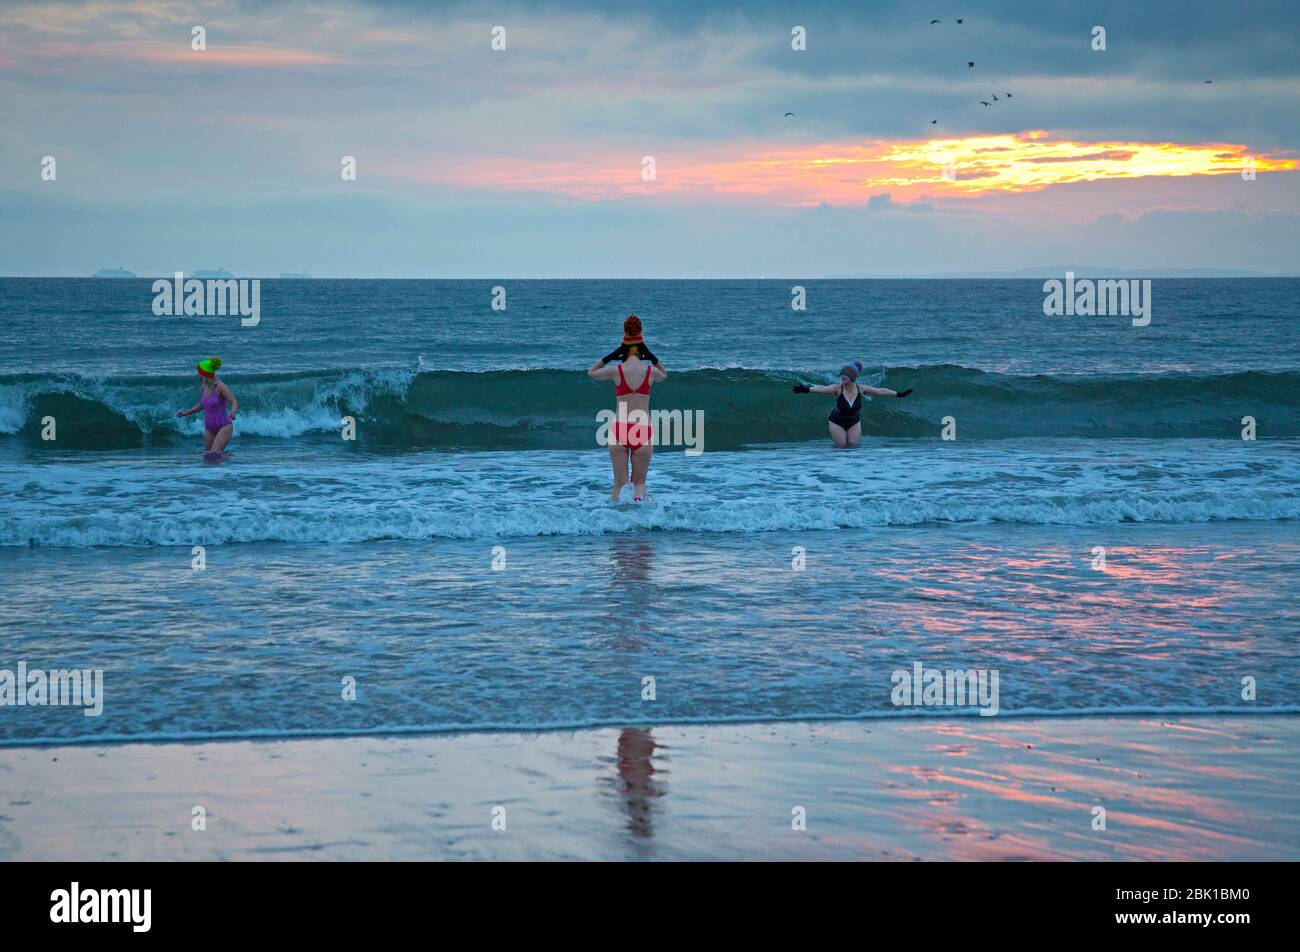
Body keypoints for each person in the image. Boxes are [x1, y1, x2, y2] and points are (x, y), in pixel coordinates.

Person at [588, 315, 667, 501]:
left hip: (620, 430)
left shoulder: (616, 370)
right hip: (642, 430)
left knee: (619, 485)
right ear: (642, 345)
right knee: (639, 483)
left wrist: (611, 356)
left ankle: (615, 521)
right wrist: (652, 357)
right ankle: (638, 516)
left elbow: (591, 373)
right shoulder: (651, 372)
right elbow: (665, 374)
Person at [792, 360, 911, 448]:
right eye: (842, 374)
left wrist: (899, 394)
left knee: (854, 447)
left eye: (846, 374)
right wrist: (806, 390)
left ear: (853, 376)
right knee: (842, 446)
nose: (843, 376)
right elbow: (822, 389)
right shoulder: (837, 389)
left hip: (854, 421)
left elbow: (881, 391)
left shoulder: (861, 389)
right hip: (836, 421)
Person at [176, 357, 238, 454]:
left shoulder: (220, 386)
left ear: (204, 374)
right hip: (209, 428)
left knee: (215, 453)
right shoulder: (203, 388)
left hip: (224, 426)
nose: (197, 374)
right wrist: (186, 413)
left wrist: (233, 412)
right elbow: (202, 404)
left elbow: (233, 401)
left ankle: (230, 465)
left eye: (199, 372)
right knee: (208, 456)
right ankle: (227, 461)